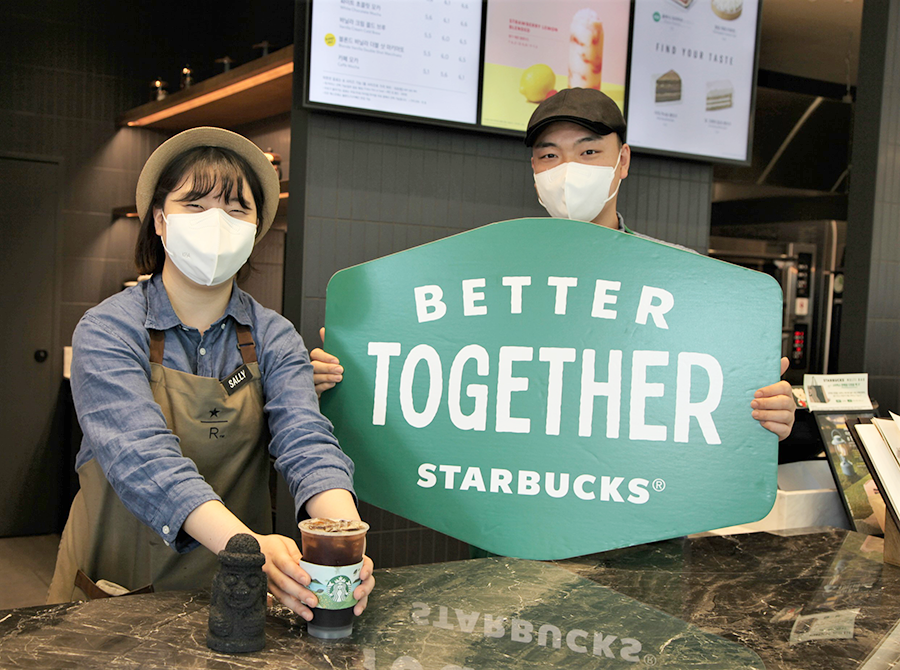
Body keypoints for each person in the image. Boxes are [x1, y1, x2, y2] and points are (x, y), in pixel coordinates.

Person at [310, 87, 796, 441]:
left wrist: (762, 414)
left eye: (589, 152)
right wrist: (349, 373)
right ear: (535, 170)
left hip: (643, 534)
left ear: (623, 161)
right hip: (511, 522)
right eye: (550, 155)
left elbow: (711, 405)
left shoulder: (686, 281)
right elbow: (433, 373)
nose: (568, 170)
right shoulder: (482, 275)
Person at [48, 127, 374, 623]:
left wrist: (345, 538)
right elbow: (143, 458)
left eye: (236, 209)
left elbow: (306, 440)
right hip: (117, 591)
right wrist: (248, 547)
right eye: (195, 205)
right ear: (160, 221)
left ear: (256, 228)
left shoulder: (274, 335)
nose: (216, 223)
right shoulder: (109, 329)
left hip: (239, 594)